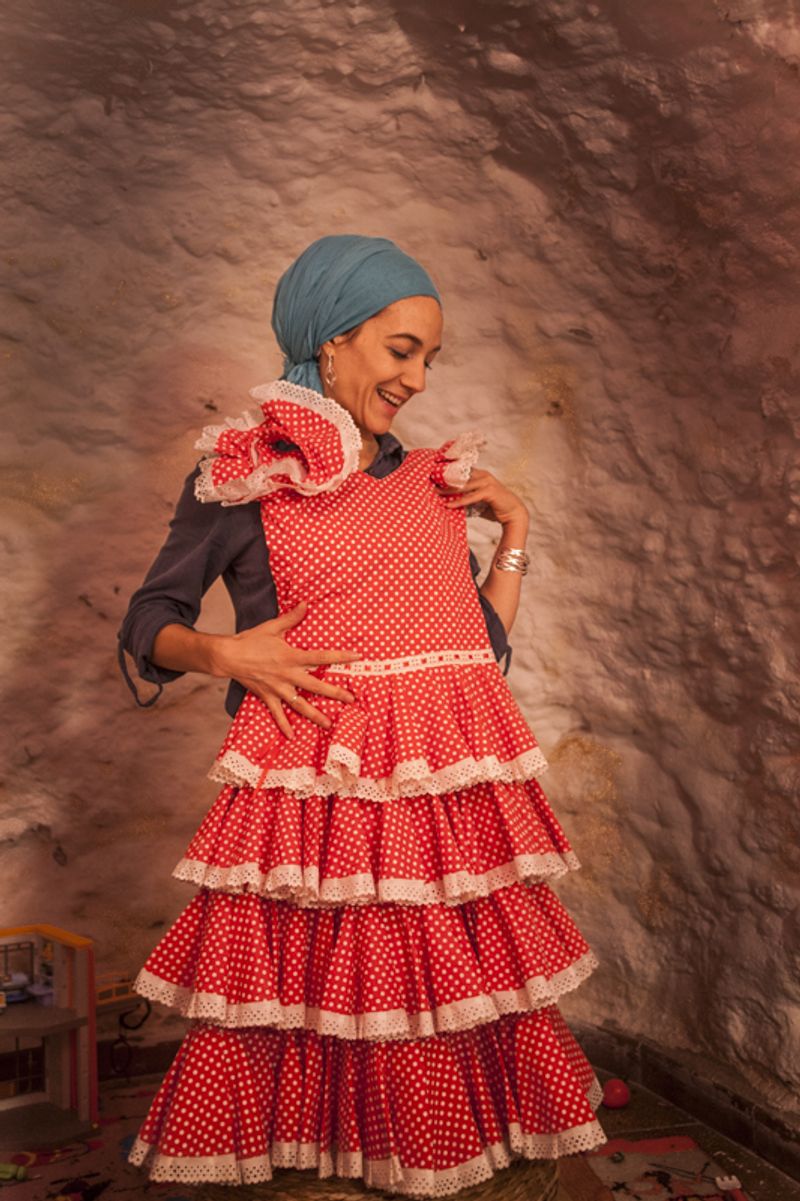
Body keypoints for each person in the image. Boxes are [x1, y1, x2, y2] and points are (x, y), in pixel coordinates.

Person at [120, 234, 606, 1194]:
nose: (418, 379)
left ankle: (420, 1140)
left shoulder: (434, 481)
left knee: (429, 989)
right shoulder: (251, 474)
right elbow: (148, 621)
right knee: (305, 992)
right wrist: (225, 652)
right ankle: (314, 1140)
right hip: (315, 800)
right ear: (330, 340)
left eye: (430, 358)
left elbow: (475, 651)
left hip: (428, 799)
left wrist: (515, 531)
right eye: (401, 349)